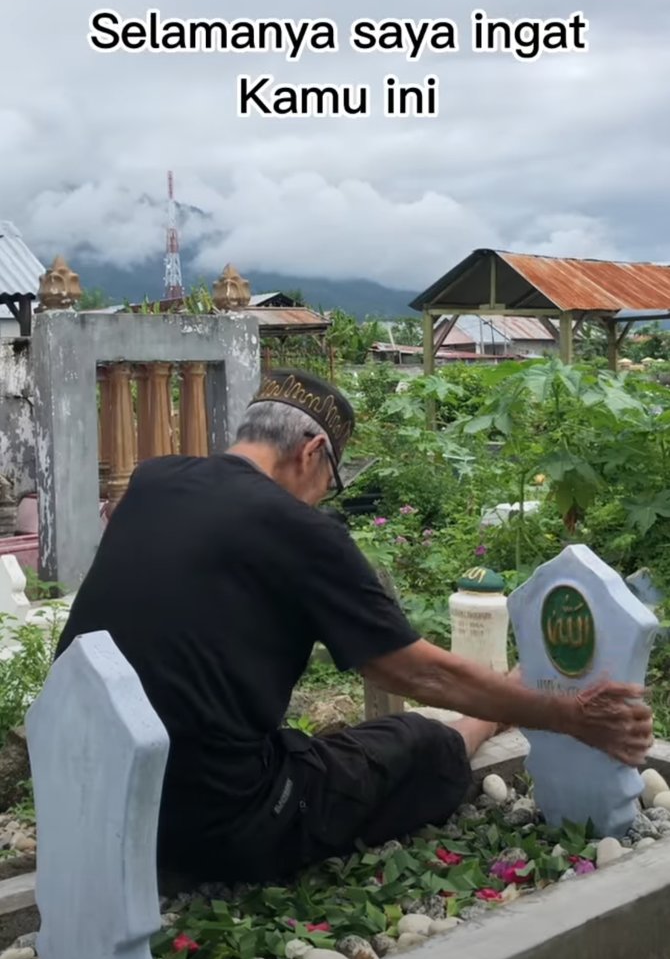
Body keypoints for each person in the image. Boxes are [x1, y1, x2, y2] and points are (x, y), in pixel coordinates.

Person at [55, 368, 653, 886]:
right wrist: (566, 715)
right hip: (215, 824)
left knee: (299, 741)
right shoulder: (299, 530)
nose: (320, 499)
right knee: (409, 742)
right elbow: (417, 671)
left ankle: (492, 709)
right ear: (312, 451)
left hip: (89, 792)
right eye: (330, 481)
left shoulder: (155, 480)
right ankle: (485, 720)